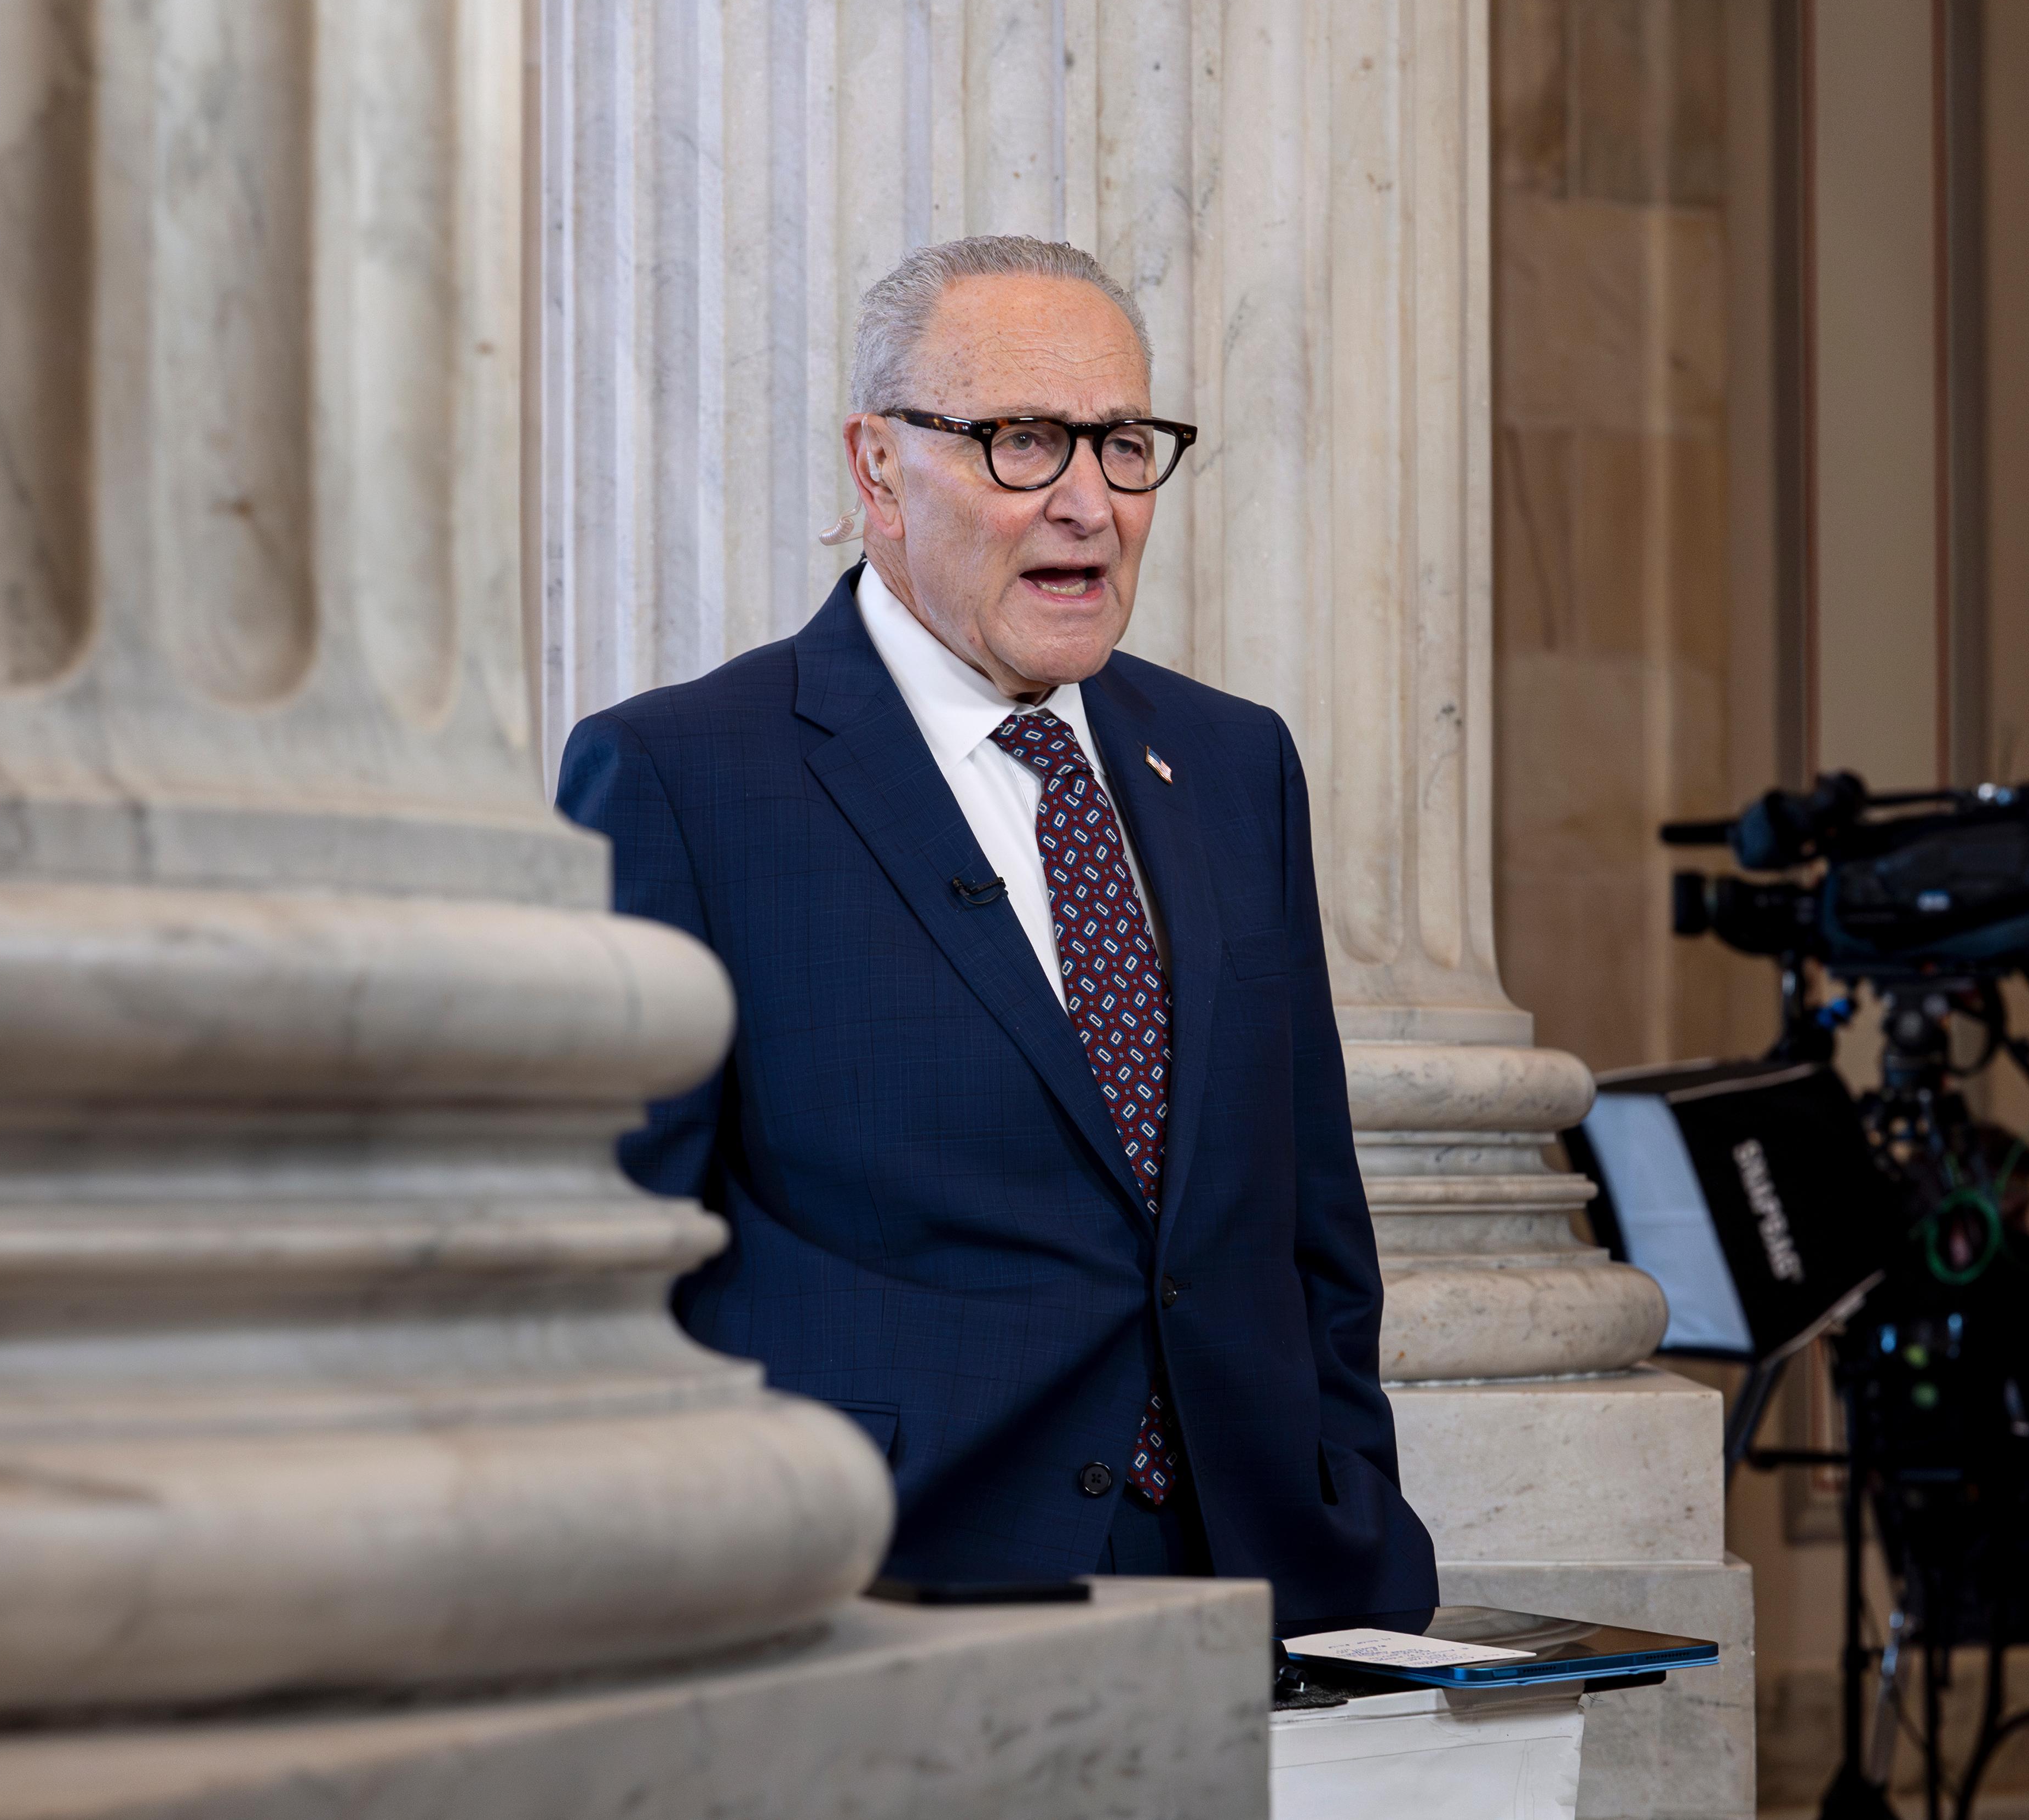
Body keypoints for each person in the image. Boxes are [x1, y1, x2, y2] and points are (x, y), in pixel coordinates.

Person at [556, 234, 1436, 1626]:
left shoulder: (1230, 759)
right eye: (1023, 441)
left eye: (1124, 444)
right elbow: (605, 1259)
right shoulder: (681, 776)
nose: (1087, 502)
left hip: (1261, 1583)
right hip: (882, 1595)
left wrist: (1354, 1509)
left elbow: (1310, 1214)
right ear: (876, 465)